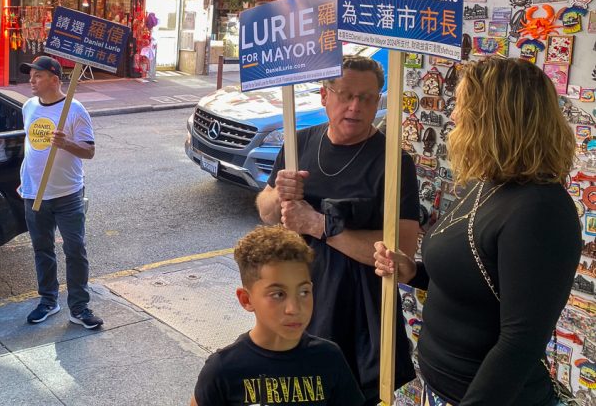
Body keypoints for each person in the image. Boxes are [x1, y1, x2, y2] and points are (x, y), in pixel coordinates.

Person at [374, 57, 582, 406]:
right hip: (442, 389)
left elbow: (521, 341)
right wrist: (412, 271)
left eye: (463, 105)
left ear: (496, 117)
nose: (454, 115)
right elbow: (474, 280)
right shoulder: (488, 183)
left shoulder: (541, 209)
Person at [255, 54, 420, 406]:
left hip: (357, 317)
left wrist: (318, 225)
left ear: (378, 100)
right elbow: (267, 213)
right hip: (296, 302)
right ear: (324, 95)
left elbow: (401, 253)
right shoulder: (299, 143)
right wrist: (279, 193)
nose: (355, 106)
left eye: (367, 98)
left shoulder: (393, 161)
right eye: (345, 95)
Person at [191, 225, 365, 406]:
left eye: (304, 292)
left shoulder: (329, 358)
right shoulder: (223, 369)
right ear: (246, 300)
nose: (294, 308)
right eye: (278, 294)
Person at [18, 55, 101, 329]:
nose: (31, 81)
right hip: (34, 193)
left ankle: (79, 307)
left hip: (68, 194)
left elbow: (89, 151)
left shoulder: (74, 110)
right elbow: (30, 146)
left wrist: (66, 144)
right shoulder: (29, 107)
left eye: (38, 76)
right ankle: (48, 300)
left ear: (54, 80)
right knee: (42, 249)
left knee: (75, 249)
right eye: (31, 76)